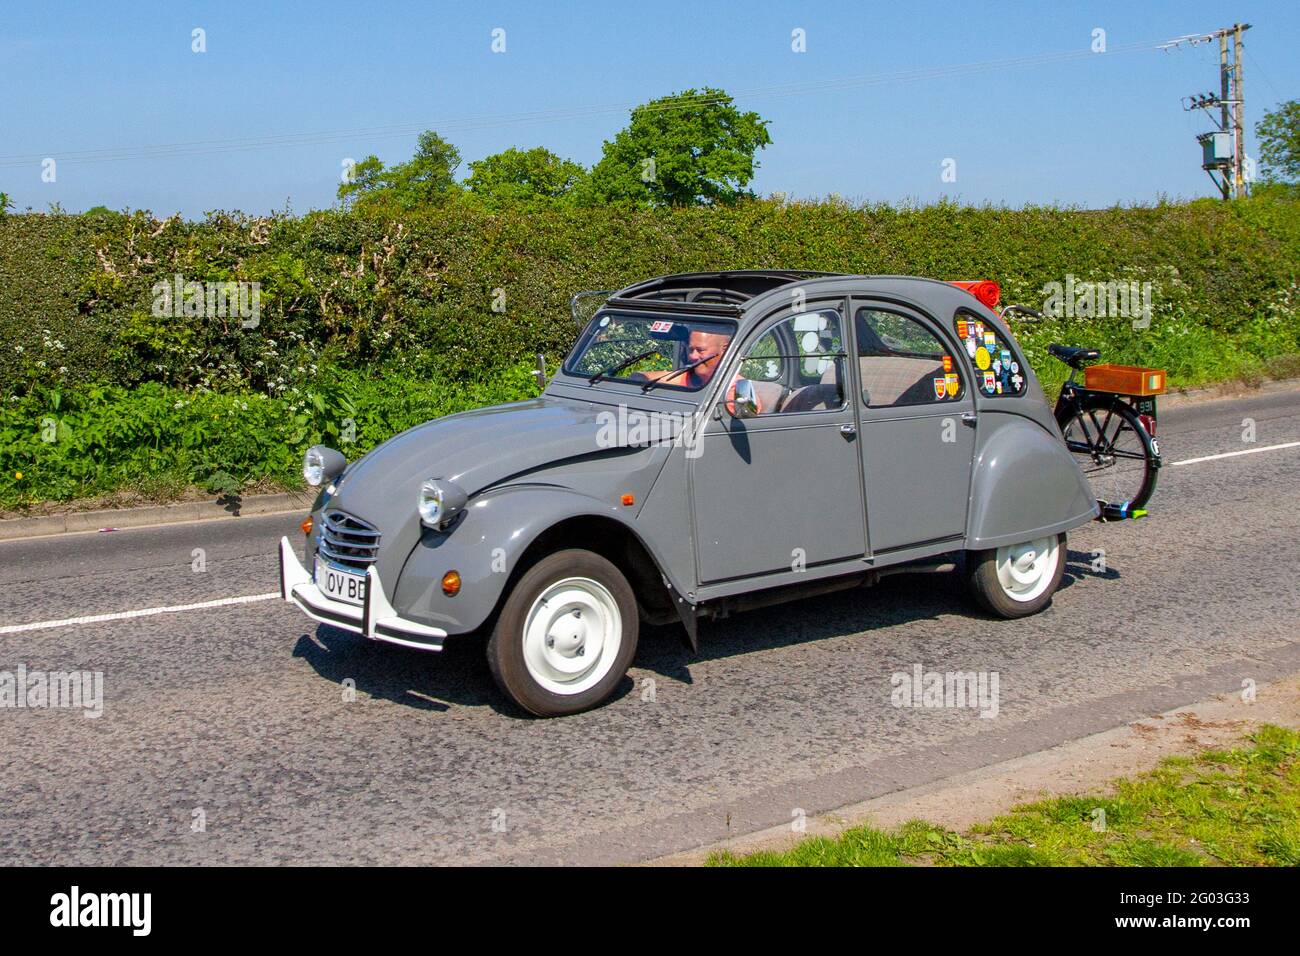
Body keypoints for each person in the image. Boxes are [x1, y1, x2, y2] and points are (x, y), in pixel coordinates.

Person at [634, 328, 762, 412]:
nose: (692, 356)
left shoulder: (735, 390)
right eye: (691, 350)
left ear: (725, 349)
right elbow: (643, 378)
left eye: (700, 350)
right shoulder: (685, 377)